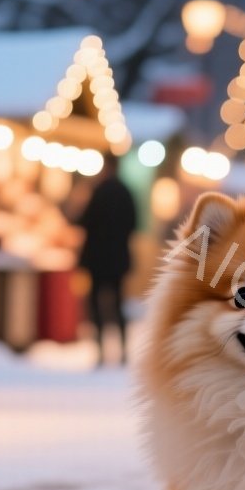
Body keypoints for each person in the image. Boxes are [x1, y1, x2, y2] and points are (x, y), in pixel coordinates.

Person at [78, 151, 139, 366]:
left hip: (96, 258)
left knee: (96, 304)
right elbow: (133, 224)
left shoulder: (98, 191)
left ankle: (101, 351)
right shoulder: (126, 193)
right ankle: (123, 351)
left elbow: (83, 221)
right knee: (118, 304)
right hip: (118, 258)